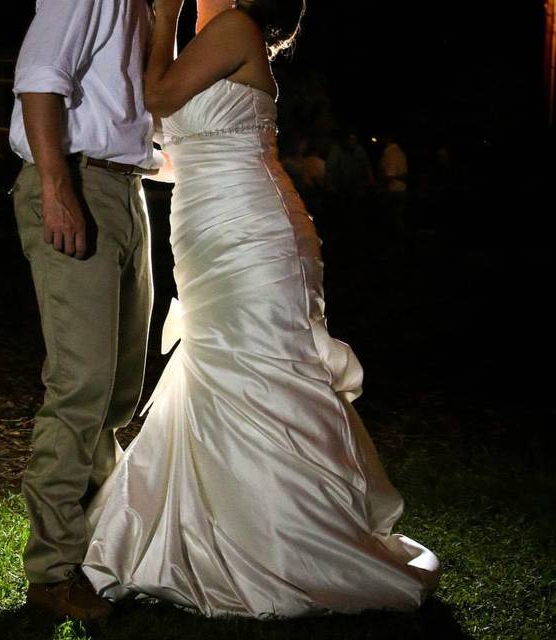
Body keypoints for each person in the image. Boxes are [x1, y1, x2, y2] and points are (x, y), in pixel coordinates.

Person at [82, 0, 439, 618]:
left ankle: (292, 541)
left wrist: (162, 17)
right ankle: (215, 526)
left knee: (257, 363)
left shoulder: (234, 26)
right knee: (218, 366)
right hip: (208, 228)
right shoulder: (216, 38)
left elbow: (157, 98)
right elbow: (166, 131)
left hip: (250, 227)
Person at [8, 0, 159, 624]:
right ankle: (52, 571)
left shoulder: (144, 9)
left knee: (120, 390)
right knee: (80, 384)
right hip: (77, 180)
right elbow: (39, 78)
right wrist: (56, 188)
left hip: (126, 188)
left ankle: (97, 538)